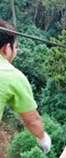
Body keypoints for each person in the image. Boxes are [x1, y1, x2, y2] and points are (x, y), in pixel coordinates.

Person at [0, 20, 51, 153]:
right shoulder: (12, 75)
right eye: (15, 47)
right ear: (7, 48)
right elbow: (32, 120)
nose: (16, 51)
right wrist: (43, 138)